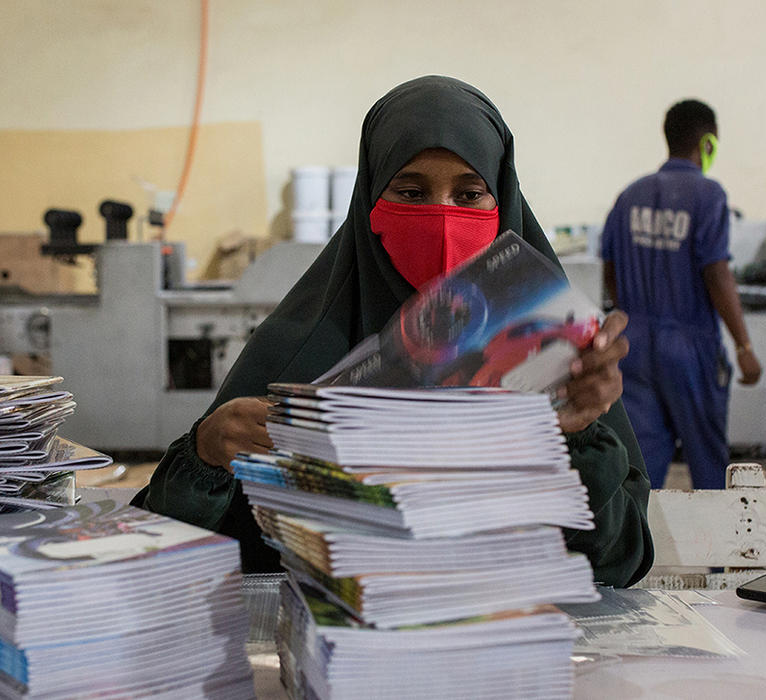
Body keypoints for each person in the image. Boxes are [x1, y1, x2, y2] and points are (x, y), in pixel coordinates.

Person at [134, 76, 653, 588]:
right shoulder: (296, 349)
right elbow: (162, 552)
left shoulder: (555, 357)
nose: (443, 218)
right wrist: (208, 453)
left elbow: (622, 561)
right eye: (410, 191)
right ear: (368, 201)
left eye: (470, 194)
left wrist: (576, 436)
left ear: (504, 203)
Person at [599, 99, 760, 491]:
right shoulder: (708, 195)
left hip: (634, 346)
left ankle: (643, 548)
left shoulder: (629, 195)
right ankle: (720, 550)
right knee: (707, 459)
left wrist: (632, 316)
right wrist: (743, 346)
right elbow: (717, 272)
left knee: (642, 465)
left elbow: (609, 266)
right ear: (707, 144)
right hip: (691, 347)